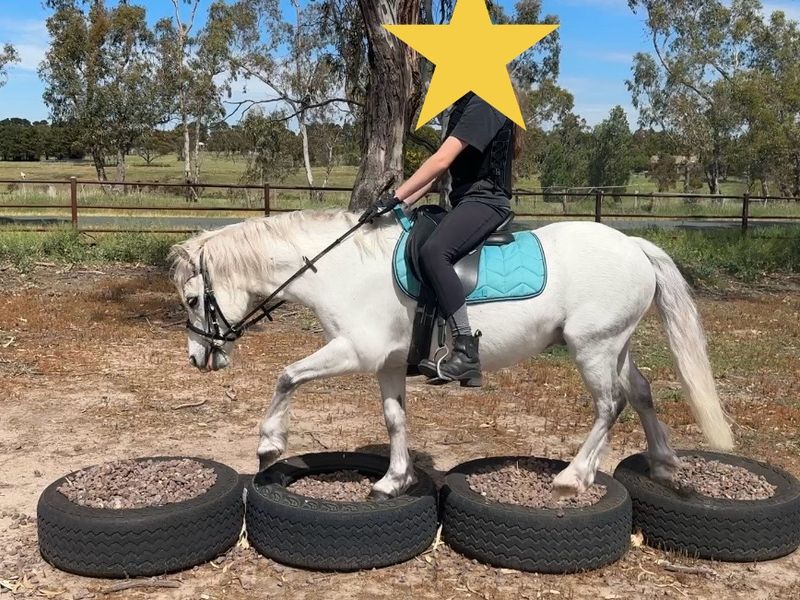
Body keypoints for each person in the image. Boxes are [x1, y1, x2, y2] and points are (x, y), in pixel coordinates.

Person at [360, 92, 520, 386]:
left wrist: (395, 196)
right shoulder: (466, 106)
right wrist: (397, 206)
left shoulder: (487, 102)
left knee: (435, 251)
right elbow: (436, 175)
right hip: (465, 201)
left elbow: (441, 159)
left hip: (486, 201)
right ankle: (419, 343)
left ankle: (466, 350)